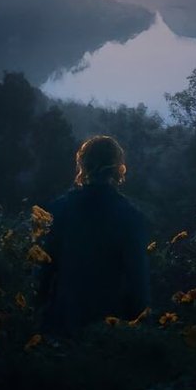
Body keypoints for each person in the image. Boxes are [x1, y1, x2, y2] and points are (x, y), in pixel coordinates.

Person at [36, 136, 151, 338]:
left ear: (83, 164)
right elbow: (139, 282)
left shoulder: (58, 210)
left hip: (63, 323)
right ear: (118, 167)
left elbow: (43, 272)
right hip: (109, 330)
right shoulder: (131, 216)